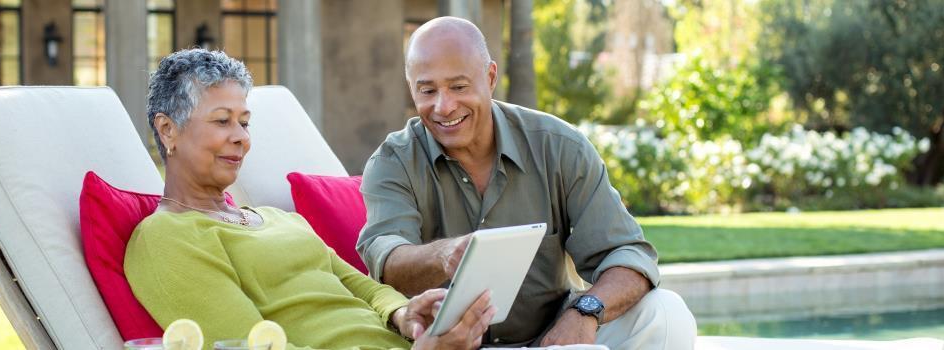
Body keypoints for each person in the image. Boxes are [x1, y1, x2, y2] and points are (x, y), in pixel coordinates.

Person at [357, 17, 697, 349]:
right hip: (448, 345)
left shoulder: (559, 146)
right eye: (427, 90)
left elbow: (627, 253)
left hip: (552, 338)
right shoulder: (393, 161)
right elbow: (385, 257)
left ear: (490, 77)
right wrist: (442, 254)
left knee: (666, 312)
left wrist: (585, 313)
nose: (444, 107)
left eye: (459, 87)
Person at [124, 49, 494, 350]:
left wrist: (406, 313)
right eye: (222, 121)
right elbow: (252, 345)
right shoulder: (167, 238)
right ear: (168, 129)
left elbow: (361, 286)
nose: (241, 138)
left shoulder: (277, 219)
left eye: (245, 122)